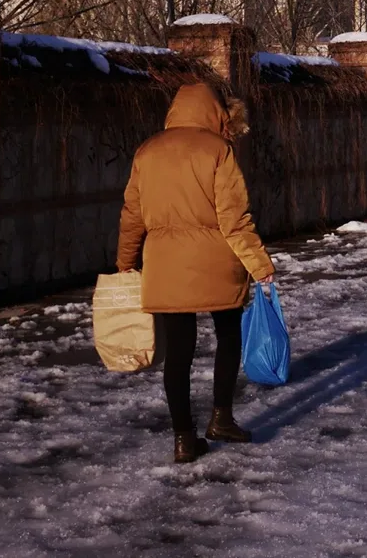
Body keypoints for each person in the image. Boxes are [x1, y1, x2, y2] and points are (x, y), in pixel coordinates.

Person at [117, 83, 276, 464]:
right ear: (215, 113)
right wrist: (261, 266)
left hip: (164, 264)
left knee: (178, 351)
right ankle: (221, 418)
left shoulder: (147, 151)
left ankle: (183, 439)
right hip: (217, 261)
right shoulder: (219, 151)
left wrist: (125, 263)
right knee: (228, 333)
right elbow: (234, 220)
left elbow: (132, 215)